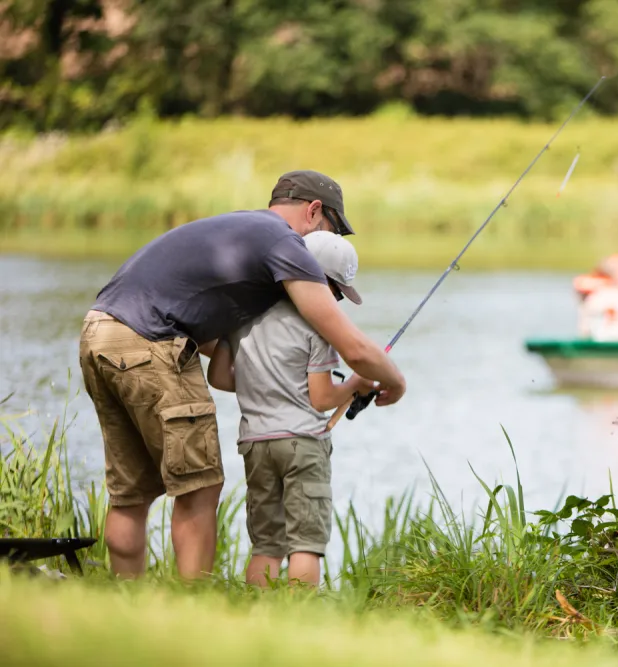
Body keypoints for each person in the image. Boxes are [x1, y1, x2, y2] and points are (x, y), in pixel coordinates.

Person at [78, 170, 406, 580]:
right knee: (199, 487)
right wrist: (395, 381)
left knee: (129, 494)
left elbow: (220, 348)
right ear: (314, 210)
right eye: (332, 229)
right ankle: (194, 610)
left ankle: (126, 600)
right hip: (151, 340)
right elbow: (353, 347)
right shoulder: (286, 243)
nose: (327, 241)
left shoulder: (239, 227)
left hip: (99, 330)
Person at [206, 231, 369, 588]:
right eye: (337, 292)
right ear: (319, 281)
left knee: (266, 545)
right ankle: (299, 622)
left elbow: (217, 376)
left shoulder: (242, 315)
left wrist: (262, 383)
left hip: (255, 444)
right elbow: (323, 399)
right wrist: (357, 384)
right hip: (302, 444)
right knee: (305, 545)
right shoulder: (318, 328)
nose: (336, 301)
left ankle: (258, 616)